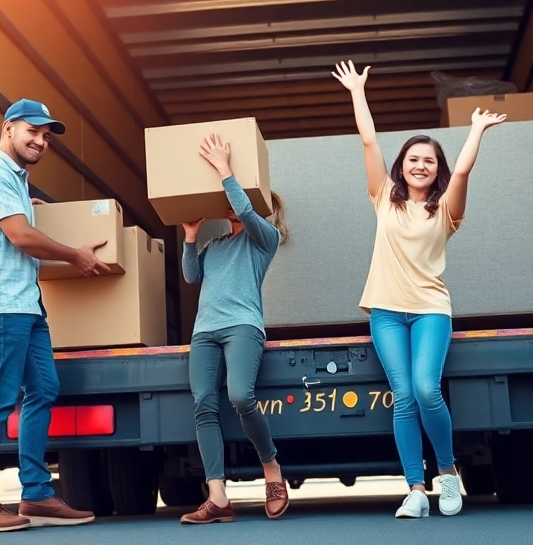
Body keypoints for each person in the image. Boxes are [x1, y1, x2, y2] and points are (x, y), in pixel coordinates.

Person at [332, 61, 506, 519]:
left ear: (436, 169)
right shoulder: (382, 198)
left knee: (428, 389)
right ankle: (414, 489)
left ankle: (447, 474)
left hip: (430, 309)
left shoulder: (446, 210)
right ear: (402, 166)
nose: (420, 164)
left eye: (429, 160)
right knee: (404, 395)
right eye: (413, 158)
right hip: (386, 311)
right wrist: (357, 91)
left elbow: (464, 173)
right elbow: (369, 140)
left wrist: (476, 130)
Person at [0, 99, 113, 533]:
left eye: (46, 136)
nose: (41, 141)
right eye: (34, 131)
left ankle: (37, 494)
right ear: (9, 128)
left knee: (44, 389)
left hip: (26, 304)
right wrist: (75, 257)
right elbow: (21, 236)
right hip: (0, 304)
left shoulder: (16, 182)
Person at [178, 134, 291, 525]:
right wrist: (191, 237)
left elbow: (244, 208)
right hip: (204, 332)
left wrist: (226, 167)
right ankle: (218, 496)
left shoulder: (265, 240)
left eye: (242, 201)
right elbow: (191, 276)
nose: (233, 204)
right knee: (203, 405)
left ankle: (271, 468)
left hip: (243, 326)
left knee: (241, 397)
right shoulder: (216, 246)